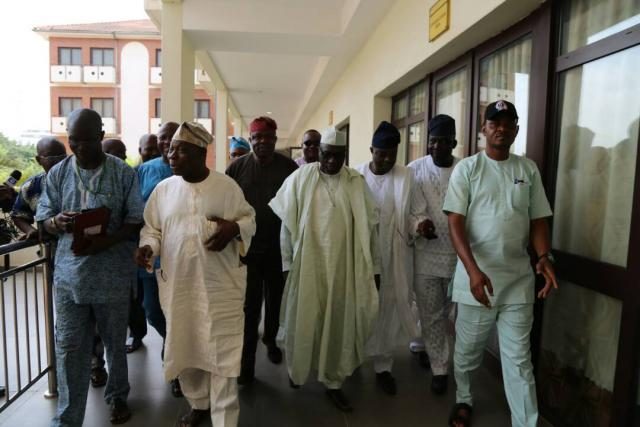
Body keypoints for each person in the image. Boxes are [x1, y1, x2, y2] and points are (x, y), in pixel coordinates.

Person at [443, 100, 558, 427]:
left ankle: (526, 423)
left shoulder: (527, 169)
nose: (501, 128)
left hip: (518, 283)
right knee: (467, 353)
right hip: (476, 284)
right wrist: (473, 270)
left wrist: (544, 257)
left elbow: (537, 220)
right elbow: (455, 223)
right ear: (484, 129)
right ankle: (463, 398)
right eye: (494, 123)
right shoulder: (468, 169)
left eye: (508, 123)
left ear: (516, 130)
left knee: (519, 361)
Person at [135, 121, 256, 427]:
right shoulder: (164, 190)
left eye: (180, 150)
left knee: (223, 353)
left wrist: (234, 228)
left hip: (220, 288)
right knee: (186, 346)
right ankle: (199, 404)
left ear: (201, 153)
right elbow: (153, 229)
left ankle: (225, 419)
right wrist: (148, 247)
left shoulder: (226, 187)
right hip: (180, 286)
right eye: (170, 149)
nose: (170, 155)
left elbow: (249, 219)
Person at [36, 108, 144, 426]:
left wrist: (107, 241)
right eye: (73, 140)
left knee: (114, 343)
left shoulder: (124, 174)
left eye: (87, 140)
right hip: (70, 280)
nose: (80, 147)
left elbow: (135, 220)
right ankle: (68, 417)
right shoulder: (58, 174)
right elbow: (44, 218)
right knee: (69, 347)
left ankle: (117, 397)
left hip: (111, 277)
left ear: (101, 136)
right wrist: (56, 221)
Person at [268, 127, 379, 412]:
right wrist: (286, 264)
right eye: (327, 155)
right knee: (302, 316)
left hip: (344, 266)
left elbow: (370, 230)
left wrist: (374, 268)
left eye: (338, 156)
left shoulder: (355, 182)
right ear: (318, 152)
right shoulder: (301, 178)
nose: (331, 162)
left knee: (338, 322)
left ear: (345, 155)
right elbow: (286, 227)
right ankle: (298, 370)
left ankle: (334, 382)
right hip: (307, 263)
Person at [226, 117, 298, 384]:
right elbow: (226, 205)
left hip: (280, 250)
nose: (263, 142)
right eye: (258, 138)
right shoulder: (236, 168)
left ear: (275, 140)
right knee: (249, 308)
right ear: (251, 139)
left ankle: (270, 340)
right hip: (248, 251)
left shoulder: (289, 168)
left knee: (276, 301)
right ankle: (246, 365)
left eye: (268, 137)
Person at [354, 121, 417, 396]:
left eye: (392, 153)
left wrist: (420, 225)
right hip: (361, 256)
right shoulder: (355, 176)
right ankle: (353, 358)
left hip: (393, 255)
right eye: (381, 153)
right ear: (371, 150)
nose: (387, 159)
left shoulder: (405, 176)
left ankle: (383, 366)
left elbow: (415, 212)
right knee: (359, 307)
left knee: (388, 308)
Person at [407, 114, 460, 395]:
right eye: (432, 141)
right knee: (430, 314)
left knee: (448, 312)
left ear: (454, 142)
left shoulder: (466, 169)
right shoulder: (414, 170)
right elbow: (407, 210)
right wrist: (419, 224)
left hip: (458, 258)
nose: (436, 146)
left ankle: (432, 348)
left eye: (442, 141)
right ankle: (440, 368)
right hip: (426, 257)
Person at [136, 121, 183, 396]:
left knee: (177, 310)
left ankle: (176, 365)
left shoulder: (189, 171)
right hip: (152, 257)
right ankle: (172, 342)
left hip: (181, 258)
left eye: (172, 138)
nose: (167, 143)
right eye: (163, 138)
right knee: (152, 309)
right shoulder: (144, 170)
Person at [100, 137, 148, 354]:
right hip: (98, 254)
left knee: (132, 299)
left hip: (129, 249)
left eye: (121, 154)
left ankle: (136, 334)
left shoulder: (129, 175)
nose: (118, 158)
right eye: (112, 153)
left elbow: (137, 215)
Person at [10, 137, 67, 240]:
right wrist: (30, 230)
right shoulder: (31, 186)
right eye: (51, 157)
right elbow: (18, 215)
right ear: (39, 160)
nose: (58, 161)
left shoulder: (78, 180)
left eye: (62, 156)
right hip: (51, 250)